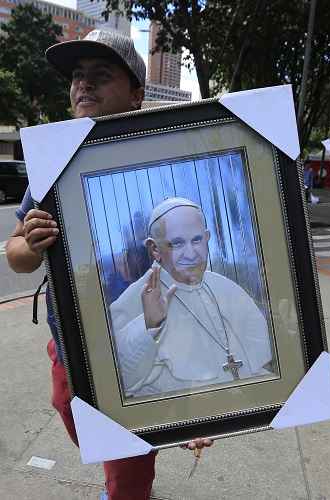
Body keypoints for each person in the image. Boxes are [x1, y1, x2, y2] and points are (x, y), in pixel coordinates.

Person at [5, 29, 211, 500]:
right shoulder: (53, 163)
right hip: (73, 343)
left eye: (101, 75)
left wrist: (205, 393)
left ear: (137, 94)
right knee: (69, 406)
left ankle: (127, 481)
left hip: (145, 341)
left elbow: (192, 268)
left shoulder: (167, 165)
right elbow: (16, 255)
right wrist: (32, 245)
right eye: (77, 76)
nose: (84, 85)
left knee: (127, 463)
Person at [110, 198, 273, 397]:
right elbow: (120, 382)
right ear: (155, 249)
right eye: (177, 244)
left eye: (197, 240)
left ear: (207, 238)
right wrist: (149, 326)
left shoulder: (226, 288)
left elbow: (261, 358)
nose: (191, 254)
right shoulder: (133, 301)